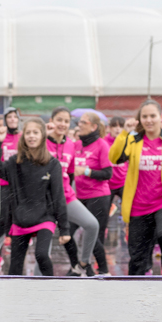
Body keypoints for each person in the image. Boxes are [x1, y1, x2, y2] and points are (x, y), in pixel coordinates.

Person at [110, 100, 162, 276]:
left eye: (152, 116)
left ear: (160, 118)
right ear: (139, 119)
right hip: (138, 206)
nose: (149, 120)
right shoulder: (132, 141)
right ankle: (137, 289)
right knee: (137, 257)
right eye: (145, 116)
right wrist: (125, 132)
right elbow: (114, 157)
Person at [0, 117, 71, 276]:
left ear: (42, 136)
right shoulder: (15, 162)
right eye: (28, 132)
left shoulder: (52, 164)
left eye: (35, 132)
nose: (31, 136)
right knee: (15, 267)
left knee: (41, 255)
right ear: (23, 136)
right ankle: (16, 296)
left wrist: (64, 229)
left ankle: (51, 285)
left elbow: (58, 197)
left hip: (44, 218)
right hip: (21, 219)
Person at [47, 107, 100, 277]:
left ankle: (83, 264)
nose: (62, 124)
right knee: (44, 249)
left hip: (65, 197)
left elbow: (69, 173)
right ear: (51, 121)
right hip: (44, 200)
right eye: (59, 120)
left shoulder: (70, 145)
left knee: (92, 225)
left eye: (66, 121)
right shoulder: (41, 141)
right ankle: (39, 282)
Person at [73, 112, 113, 275]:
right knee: (67, 232)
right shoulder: (77, 145)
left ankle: (103, 270)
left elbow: (107, 173)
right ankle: (82, 265)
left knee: (94, 236)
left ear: (94, 126)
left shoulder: (102, 145)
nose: (79, 124)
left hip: (98, 196)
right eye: (79, 122)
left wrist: (86, 171)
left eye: (84, 122)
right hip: (78, 197)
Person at [0, 107, 22, 274]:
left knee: (19, 218)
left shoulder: (23, 137)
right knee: (2, 219)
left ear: (18, 119)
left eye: (14, 117)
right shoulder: (0, 137)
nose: (11, 120)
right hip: (3, 183)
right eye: (8, 117)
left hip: (20, 185)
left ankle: (17, 251)